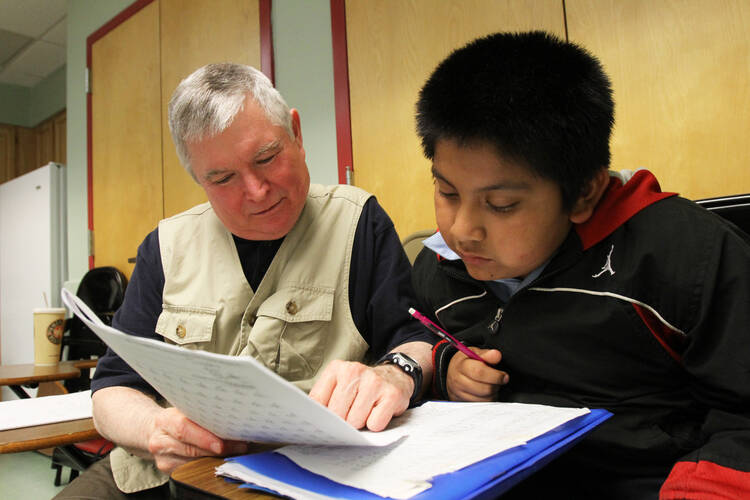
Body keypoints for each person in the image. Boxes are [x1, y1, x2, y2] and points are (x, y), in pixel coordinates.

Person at [55, 63, 433, 499]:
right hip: (164, 473)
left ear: (296, 132)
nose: (256, 190)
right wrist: (156, 428)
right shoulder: (165, 245)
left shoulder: (357, 222)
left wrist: (395, 374)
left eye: (267, 157)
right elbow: (112, 389)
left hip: (304, 474)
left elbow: (414, 339)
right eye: (223, 178)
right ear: (199, 179)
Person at [411, 31, 750, 499]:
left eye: (502, 204)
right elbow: (425, 338)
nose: (463, 229)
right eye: (447, 192)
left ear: (583, 192)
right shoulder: (441, 267)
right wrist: (448, 367)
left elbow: (741, 414)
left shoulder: (688, 256)